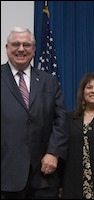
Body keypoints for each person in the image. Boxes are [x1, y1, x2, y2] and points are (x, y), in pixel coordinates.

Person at [1, 27, 69, 199]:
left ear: (34, 49)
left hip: (44, 175)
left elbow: (61, 119)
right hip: (5, 175)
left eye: (26, 44)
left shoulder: (49, 81)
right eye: (16, 44)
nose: (21, 49)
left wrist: (53, 152)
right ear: (7, 47)